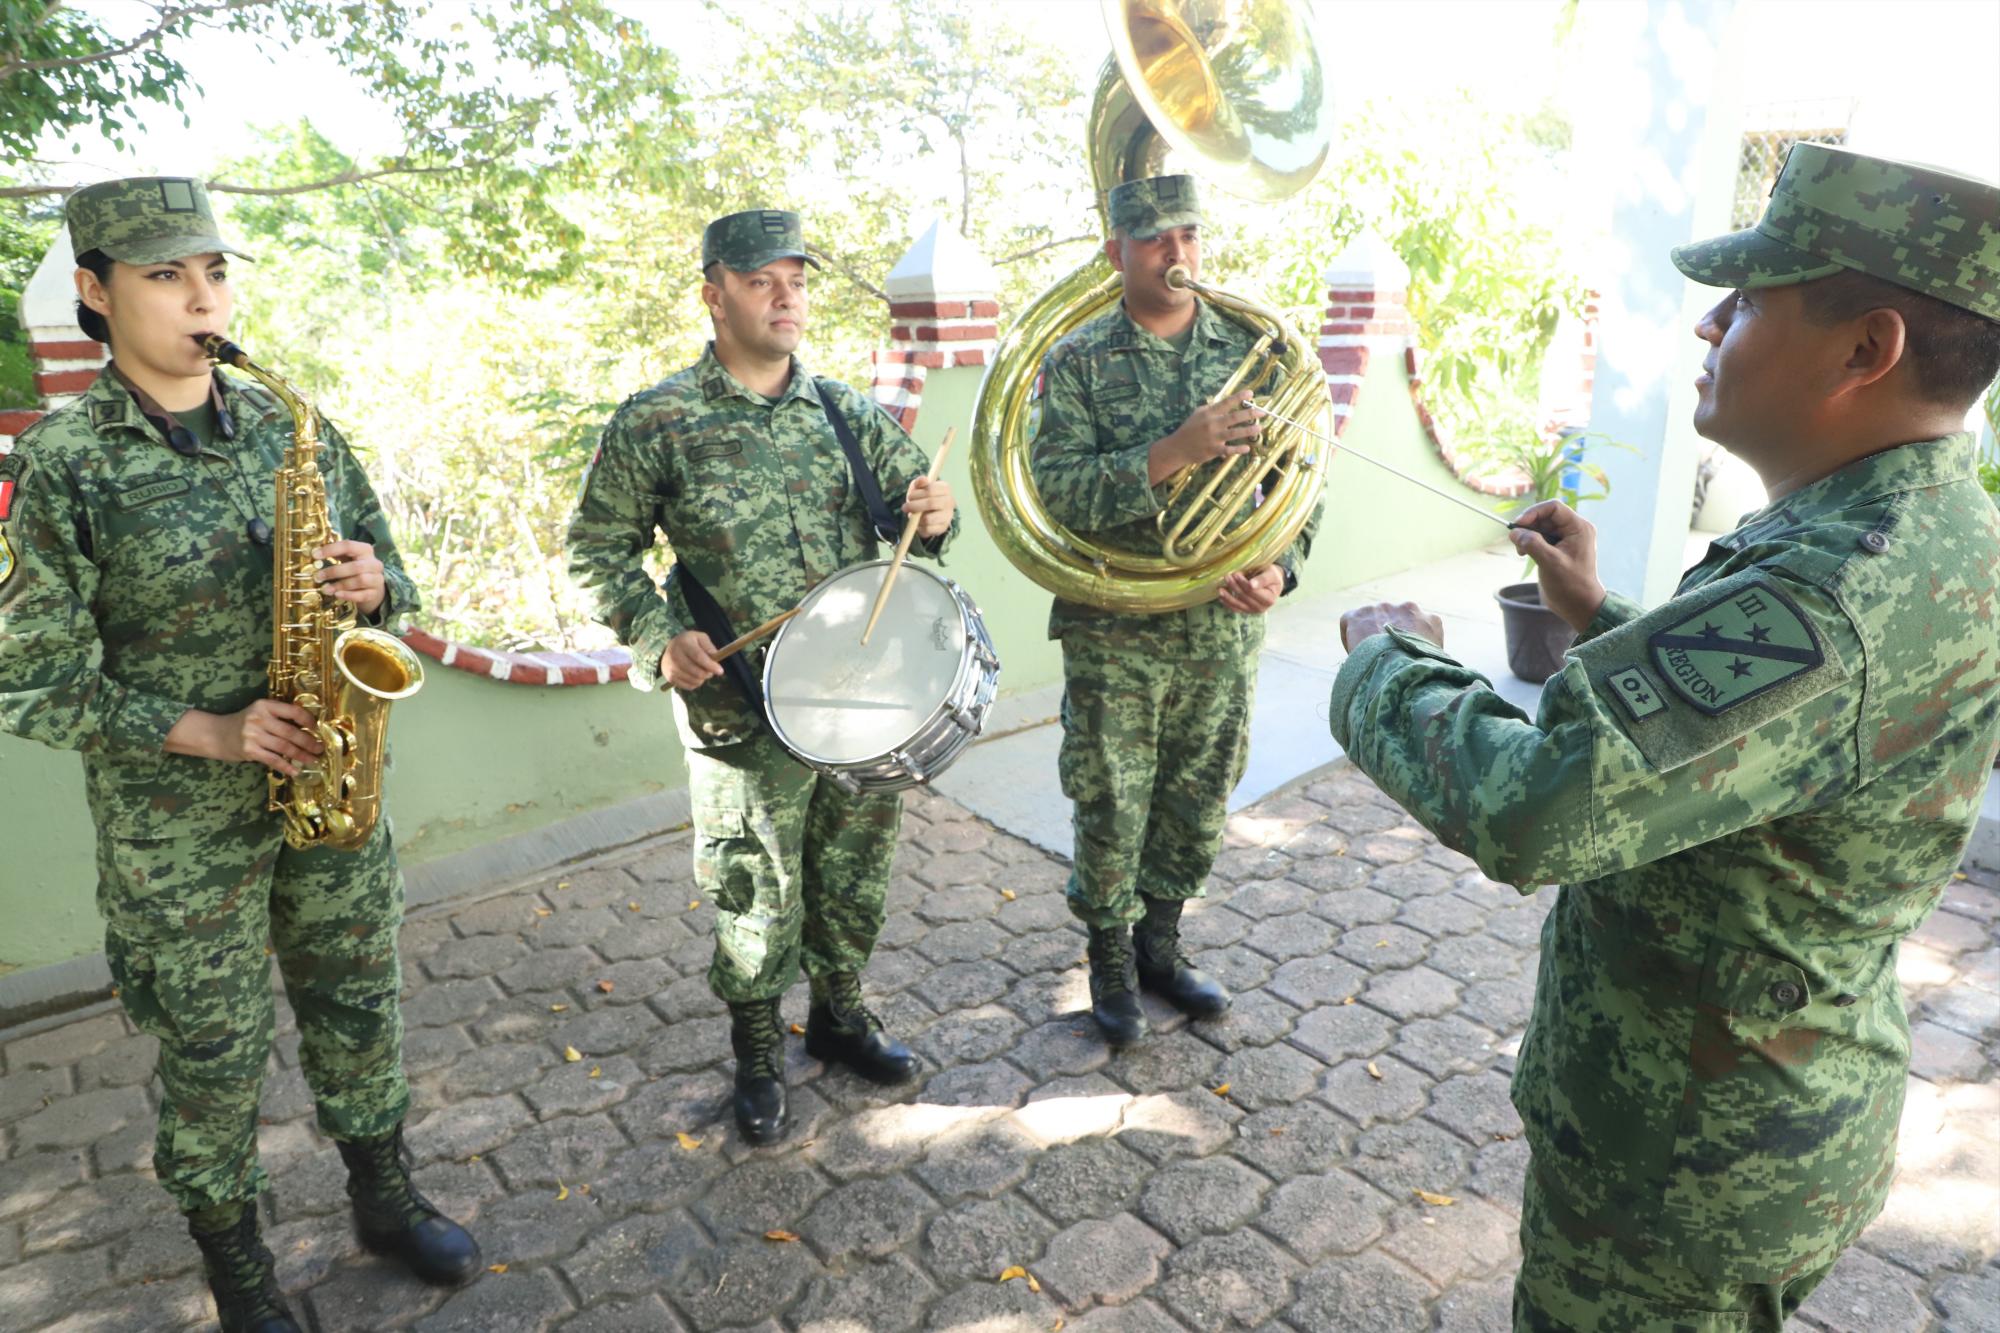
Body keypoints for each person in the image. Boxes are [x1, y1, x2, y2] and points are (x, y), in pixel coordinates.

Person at [1330, 144, 2000, 1331]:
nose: (1708, 326)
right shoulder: (1925, 524)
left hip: (1680, 1169)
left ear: (1865, 349)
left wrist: (1388, 661)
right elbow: (1778, 736)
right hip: (1762, 1119)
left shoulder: (1825, 589)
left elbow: (1535, 804)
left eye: (1746, 302)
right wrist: (1598, 616)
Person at [0, 178, 480, 1333]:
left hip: (329, 784)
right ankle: (239, 1265)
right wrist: (206, 730)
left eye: (212, 270)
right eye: (166, 275)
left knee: (360, 1005)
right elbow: (28, 674)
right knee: (214, 1058)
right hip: (178, 835)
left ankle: (383, 1195)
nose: (201, 296)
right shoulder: (63, 466)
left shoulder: (291, 423)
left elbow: (397, 591)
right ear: (95, 294)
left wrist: (377, 588)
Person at [565, 209, 958, 1145]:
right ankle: (754, 1048)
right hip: (736, 703)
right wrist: (660, 636)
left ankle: (838, 1014)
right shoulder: (660, 418)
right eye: (759, 281)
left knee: (853, 869)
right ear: (715, 294)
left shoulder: (845, 413)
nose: (786, 297)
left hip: (856, 699)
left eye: (797, 279)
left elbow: (923, 522)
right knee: (754, 878)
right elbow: (596, 547)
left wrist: (936, 514)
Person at [1030, 174, 1317, 1047]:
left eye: (1188, 233)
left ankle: (1161, 943)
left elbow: (1300, 485)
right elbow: (1056, 496)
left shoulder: (1252, 349)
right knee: (1112, 795)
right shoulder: (1076, 358)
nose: (1178, 253)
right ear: (1116, 250)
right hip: (1114, 623)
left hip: (1221, 623)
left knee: (1201, 790)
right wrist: (1173, 451)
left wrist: (1282, 568)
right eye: (1155, 239)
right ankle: (1110, 958)